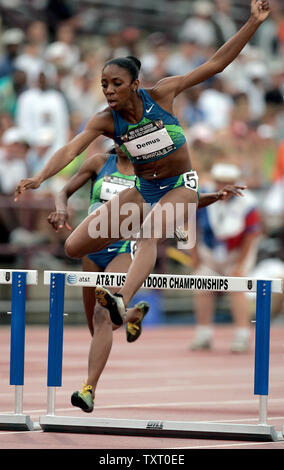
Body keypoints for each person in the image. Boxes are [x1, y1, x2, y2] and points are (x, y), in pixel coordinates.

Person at [15, 0, 270, 409]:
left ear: (134, 83)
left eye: (116, 83)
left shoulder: (163, 93)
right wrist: (41, 179)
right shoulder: (104, 120)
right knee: (74, 248)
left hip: (181, 185)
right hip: (144, 189)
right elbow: (71, 149)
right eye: (104, 85)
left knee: (150, 230)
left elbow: (217, 64)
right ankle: (125, 309)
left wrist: (253, 22)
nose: (110, 91)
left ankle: (121, 302)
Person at [48, 144, 246, 412]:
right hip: (92, 251)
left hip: (123, 250)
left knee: (101, 316)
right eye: (117, 134)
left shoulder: (149, 173)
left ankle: (88, 389)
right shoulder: (98, 162)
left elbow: (185, 200)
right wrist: (61, 209)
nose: (121, 140)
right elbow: (64, 191)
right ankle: (131, 315)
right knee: (96, 329)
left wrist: (214, 196)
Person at [190, 163, 262, 352]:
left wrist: (239, 265)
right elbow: (190, 227)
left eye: (227, 182)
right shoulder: (203, 196)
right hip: (210, 253)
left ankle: (242, 335)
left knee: (237, 286)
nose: (223, 186)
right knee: (201, 284)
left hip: (236, 253)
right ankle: (203, 333)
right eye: (220, 182)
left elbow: (251, 235)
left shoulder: (247, 202)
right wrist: (194, 256)